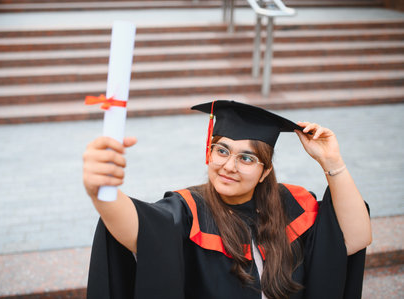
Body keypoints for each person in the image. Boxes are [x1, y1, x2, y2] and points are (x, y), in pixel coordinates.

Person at [83, 100, 372, 299]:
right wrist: (103, 192)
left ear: (264, 171)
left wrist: (331, 161)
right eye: (221, 151)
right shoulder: (190, 209)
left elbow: (356, 237)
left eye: (246, 158)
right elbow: (141, 230)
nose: (229, 166)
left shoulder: (293, 204)